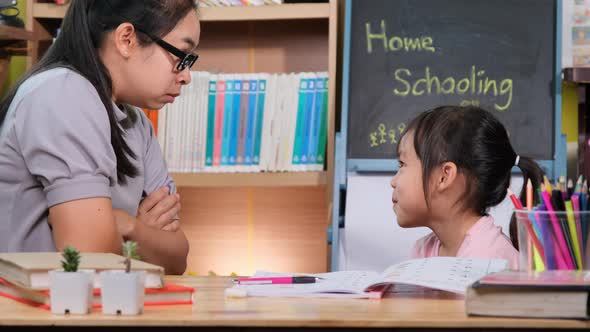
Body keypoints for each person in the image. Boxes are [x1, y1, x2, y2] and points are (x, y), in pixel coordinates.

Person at [0, 0, 200, 274]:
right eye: (182, 56)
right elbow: (89, 257)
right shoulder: (61, 94)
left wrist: (126, 225)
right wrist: (141, 234)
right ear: (126, 39)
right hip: (36, 311)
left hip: (99, 308)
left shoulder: (136, 121)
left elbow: (177, 258)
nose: (187, 76)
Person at [390, 106, 544, 269]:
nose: (393, 181)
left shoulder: (491, 262)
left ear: (444, 176)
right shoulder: (422, 252)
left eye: (402, 164)